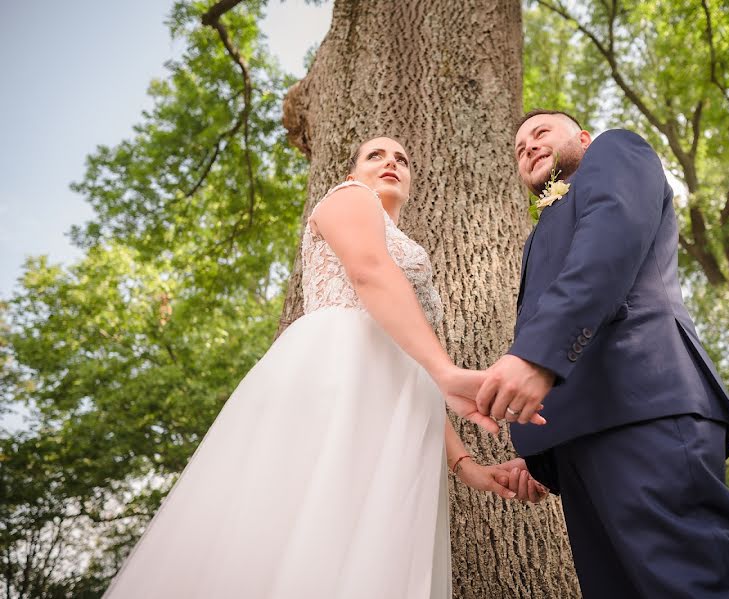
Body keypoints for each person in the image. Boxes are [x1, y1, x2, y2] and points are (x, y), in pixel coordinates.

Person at [103, 136, 545, 599]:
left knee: (367, 548)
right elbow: (369, 270)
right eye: (376, 155)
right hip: (335, 370)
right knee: (304, 517)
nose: (391, 162)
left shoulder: (410, 250)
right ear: (354, 173)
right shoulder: (349, 197)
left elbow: (410, 367)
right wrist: (447, 371)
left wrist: (465, 465)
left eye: (402, 160)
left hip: (397, 407)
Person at [476, 110, 729, 598]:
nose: (528, 146)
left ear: (583, 138)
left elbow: (608, 244)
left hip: (644, 401)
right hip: (581, 441)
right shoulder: (537, 237)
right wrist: (540, 457)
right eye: (519, 147)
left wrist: (537, 357)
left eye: (541, 133)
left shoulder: (617, 150)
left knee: (701, 584)